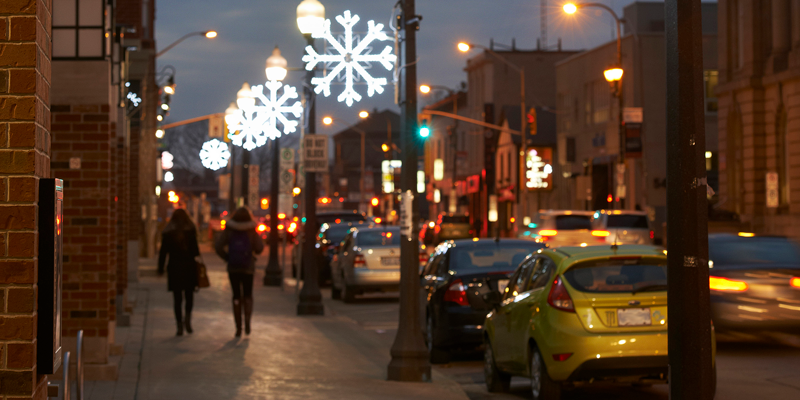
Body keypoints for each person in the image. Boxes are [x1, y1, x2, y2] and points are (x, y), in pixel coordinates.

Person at [215, 207, 265, 337]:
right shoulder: (252, 230)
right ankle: (247, 321)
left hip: (233, 267)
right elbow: (259, 248)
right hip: (248, 267)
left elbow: (218, 246)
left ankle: (238, 327)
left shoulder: (230, 229)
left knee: (236, 295)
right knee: (248, 295)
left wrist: (227, 257)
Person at [158, 209, 200, 336]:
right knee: (189, 296)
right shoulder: (191, 230)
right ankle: (187, 319)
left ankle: (179, 325)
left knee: (177, 298)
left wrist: (160, 268)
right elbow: (196, 252)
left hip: (174, 267)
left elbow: (163, 252)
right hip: (189, 267)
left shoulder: (168, 231)